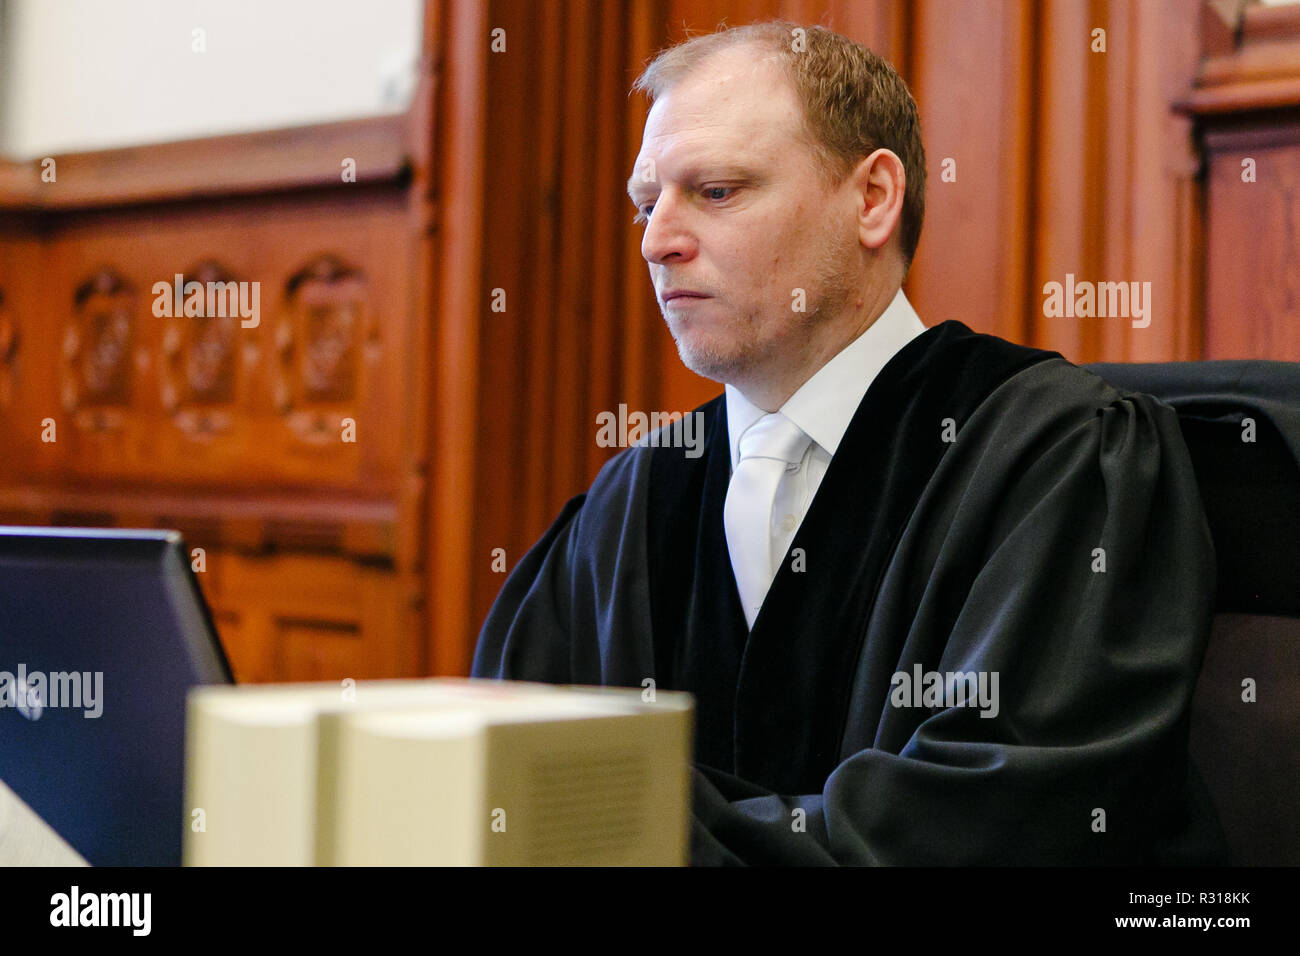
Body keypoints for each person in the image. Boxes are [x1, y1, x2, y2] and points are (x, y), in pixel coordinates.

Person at [471, 20, 1227, 865]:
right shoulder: (630, 505)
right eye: (648, 204)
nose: (657, 242)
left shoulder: (1057, 458)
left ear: (873, 199)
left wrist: (633, 829)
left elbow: (991, 824)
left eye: (716, 191)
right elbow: (497, 792)